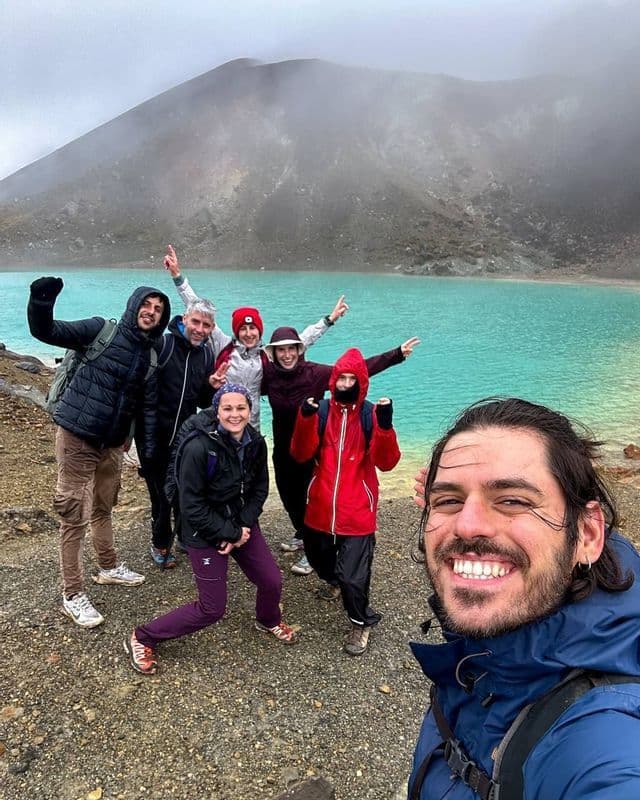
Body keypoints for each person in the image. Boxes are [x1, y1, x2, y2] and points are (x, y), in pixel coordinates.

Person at [409, 398, 640, 799]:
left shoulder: (604, 742)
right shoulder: (484, 660)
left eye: (513, 500)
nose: (467, 524)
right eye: (449, 500)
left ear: (588, 536)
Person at [124, 383, 297, 675]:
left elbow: (259, 489)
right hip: (203, 533)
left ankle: (267, 619)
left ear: (250, 409)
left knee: (271, 581)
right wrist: (228, 534)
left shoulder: (255, 441)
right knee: (212, 609)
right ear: (216, 411)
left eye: (240, 407)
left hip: (238, 523)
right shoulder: (198, 447)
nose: (234, 414)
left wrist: (242, 526)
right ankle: (143, 636)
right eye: (227, 408)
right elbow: (190, 506)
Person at [28, 277, 170, 628]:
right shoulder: (99, 330)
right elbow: (47, 332)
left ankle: (108, 567)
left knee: (105, 507)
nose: (150, 313)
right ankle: (72, 593)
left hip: (112, 443)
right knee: (73, 514)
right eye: (146, 306)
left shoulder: (151, 356)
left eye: (158, 310)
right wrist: (41, 302)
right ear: (133, 305)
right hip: (77, 436)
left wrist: (137, 445)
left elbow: (141, 406)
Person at [263, 327, 420, 575]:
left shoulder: (314, 373)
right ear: (273, 353)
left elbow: (355, 371)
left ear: (298, 350)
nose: (286, 355)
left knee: (309, 497)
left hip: (313, 446)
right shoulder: (268, 376)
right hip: (283, 447)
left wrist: (396, 354)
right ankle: (303, 534)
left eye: (291, 349)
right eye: (281, 350)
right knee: (288, 496)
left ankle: (312, 548)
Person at [162, 243, 348, 430]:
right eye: (243, 328)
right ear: (237, 331)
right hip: (221, 422)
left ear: (260, 331)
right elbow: (198, 307)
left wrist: (329, 320)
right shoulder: (224, 345)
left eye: (253, 328)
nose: (249, 333)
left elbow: (303, 339)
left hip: (252, 424)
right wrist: (178, 277)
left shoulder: (265, 356)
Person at [290, 348, 401, 655]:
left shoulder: (369, 415)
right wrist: (305, 418)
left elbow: (387, 462)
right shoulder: (322, 410)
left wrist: (385, 426)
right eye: (342, 378)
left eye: (353, 378)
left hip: (357, 513)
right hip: (320, 509)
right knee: (318, 560)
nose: (346, 383)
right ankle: (333, 580)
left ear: (362, 381)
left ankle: (360, 621)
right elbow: (300, 453)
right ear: (334, 380)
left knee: (354, 577)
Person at [136, 297, 217, 568]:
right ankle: (160, 544)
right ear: (184, 320)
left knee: (184, 490)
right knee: (161, 496)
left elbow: (203, 401)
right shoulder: (164, 344)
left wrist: (212, 386)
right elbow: (142, 394)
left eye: (206, 325)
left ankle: (184, 536)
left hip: (184, 439)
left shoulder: (206, 354)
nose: (200, 329)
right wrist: (139, 441)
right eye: (195, 322)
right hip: (153, 435)